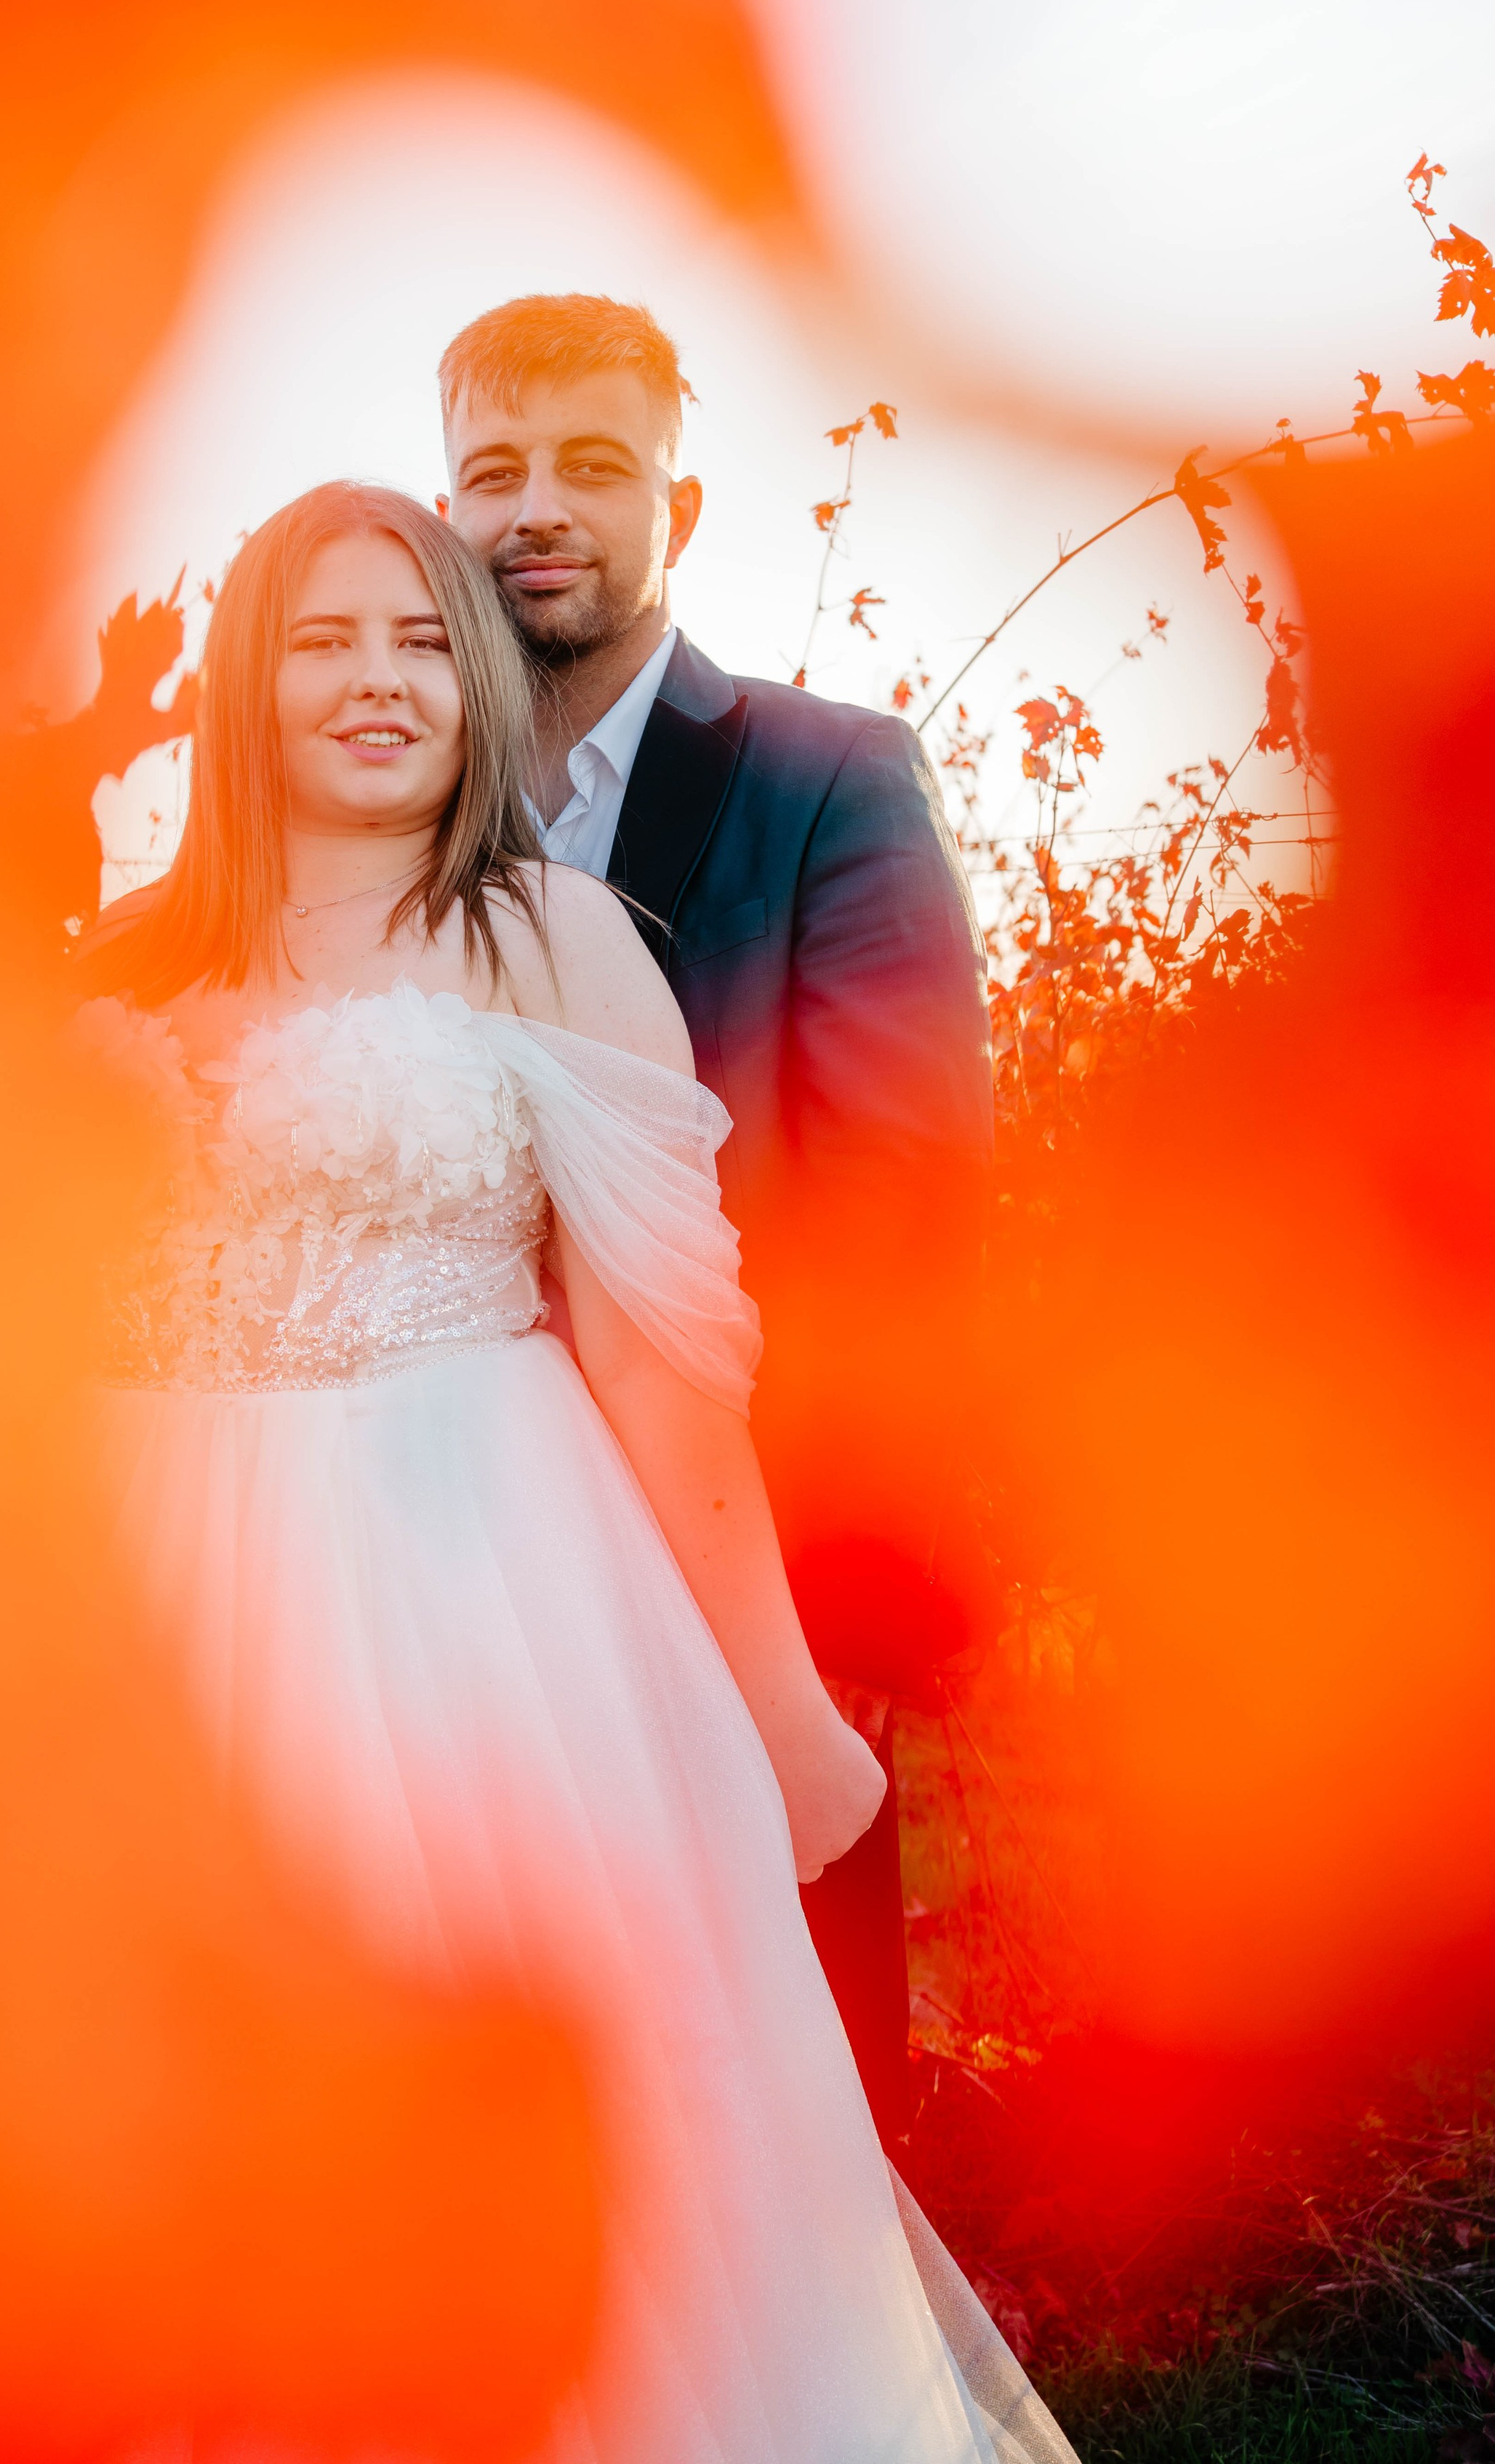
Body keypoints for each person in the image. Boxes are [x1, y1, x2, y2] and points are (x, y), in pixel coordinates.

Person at [81, 481, 1073, 2464]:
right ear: (243, 686)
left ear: (480, 691)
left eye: (425, 641)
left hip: (477, 1596)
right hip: (173, 1603)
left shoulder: (549, 940)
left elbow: (662, 1352)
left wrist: (779, 1712)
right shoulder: (125, 961)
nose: (378, 682)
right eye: (323, 639)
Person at [436, 296, 996, 2144]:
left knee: (790, 2115)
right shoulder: (384, 801)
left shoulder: (825, 778)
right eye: (491, 471)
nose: (537, 510)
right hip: (452, 1563)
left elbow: (898, 1212)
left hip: (748, 1548)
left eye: (594, 466)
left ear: (681, 506)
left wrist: (801, 1594)